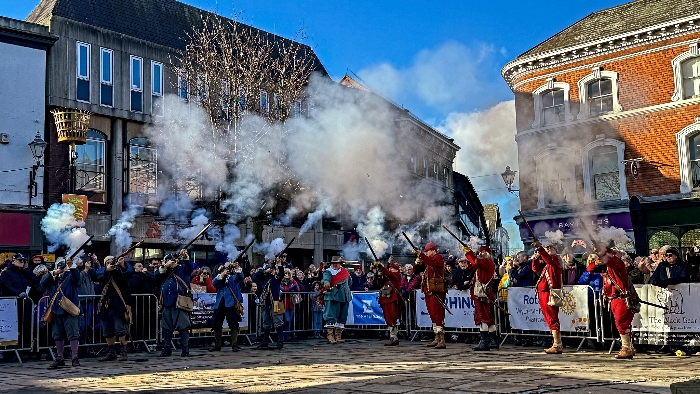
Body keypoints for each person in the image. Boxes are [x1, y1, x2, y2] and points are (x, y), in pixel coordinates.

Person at [590, 244, 638, 360]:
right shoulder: (610, 266)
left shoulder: (618, 264)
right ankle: (629, 347)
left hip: (621, 298)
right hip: (614, 299)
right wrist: (599, 253)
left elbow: (611, 260)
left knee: (622, 324)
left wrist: (602, 251)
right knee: (622, 324)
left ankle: (626, 347)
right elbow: (590, 268)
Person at [41, 257, 82, 368]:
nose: (61, 268)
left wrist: (72, 266)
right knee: (57, 335)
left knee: (73, 334)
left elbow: (77, 278)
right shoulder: (52, 278)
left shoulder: (70, 276)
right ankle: (60, 357)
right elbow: (42, 283)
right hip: (56, 310)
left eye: (62, 266)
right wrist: (54, 272)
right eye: (59, 265)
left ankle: (74, 357)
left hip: (69, 310)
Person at [155, 250, 196, 357]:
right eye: (168, 260)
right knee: (166, 327)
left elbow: (190, 268)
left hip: (180, 302)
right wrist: (165, 266)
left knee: (183, 326)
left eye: (172, 260)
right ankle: (167, 348)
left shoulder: (182, 268)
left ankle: (185, 349)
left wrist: (186, 257)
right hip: (166, 303)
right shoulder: (164, 271)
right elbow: (156, 276)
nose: (171, 262)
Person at [95, 255, 134, 362]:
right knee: (107, 330)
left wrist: (122, 264)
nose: (110, 263)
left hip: (119, 305)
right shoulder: (103, 272)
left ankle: (123, 351)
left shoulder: (121, 271)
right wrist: (107, 269)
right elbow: (96, 275)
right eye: (107, 262)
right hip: (106, 305)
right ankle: (111, 352)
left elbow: (129, 272)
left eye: (111, 261)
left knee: (121, 329)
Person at [463, 245, 498, 351]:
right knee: (489, 319)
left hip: (482, 294)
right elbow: (472, 265)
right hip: (484, 294)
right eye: (479, 252)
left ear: (488, 253)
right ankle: (493, 341)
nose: (480, 253)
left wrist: (469, 252)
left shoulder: (487, 262)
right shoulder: (484, 263)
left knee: (483, 318)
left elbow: (476, 262)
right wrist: (470, 254)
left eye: (483, 252)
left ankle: (484, 342)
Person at [532, 242, 564, 354]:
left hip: (549, 292)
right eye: (547, 248)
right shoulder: (548, 262)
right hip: (544, 292)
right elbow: (535, 269)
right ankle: (557, 343)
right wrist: (536, 258)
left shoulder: (556, 259)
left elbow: (548, 259)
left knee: (552, 318)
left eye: (550, 248)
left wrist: (540, 249)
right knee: (549, 318)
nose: (548, 249)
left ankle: (557, 344)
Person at [414, 242, 447, 349]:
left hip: (436, 290)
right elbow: (415, 270)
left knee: (437, 314)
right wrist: (418, 260)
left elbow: (431, 262)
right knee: (433, 314)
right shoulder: (429, 261)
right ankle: (436, 337)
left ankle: (441, 339)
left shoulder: (438, 258)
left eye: (427, 251)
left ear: (433, 250)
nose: (426, 253)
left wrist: (421, 255)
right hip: (429, 290)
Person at [210, 261, 244, 352]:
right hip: (220, 303)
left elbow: (240, 277)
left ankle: (234, 344)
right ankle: (218, 344)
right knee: (217, 324)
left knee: (233, 324)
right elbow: (214, 283)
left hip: (231, 303)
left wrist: (237, 268)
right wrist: (222, 274)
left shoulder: (233, 278)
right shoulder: (219, 278)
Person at [252, 260, 286, 349]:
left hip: (275, 302)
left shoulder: (276, 278)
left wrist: (279, 264)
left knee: (278, 322)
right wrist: (265, 271)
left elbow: (281, 273)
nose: (271, 271)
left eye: (272, 270)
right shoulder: (263, 278)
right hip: (265, 303)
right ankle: (265, 341)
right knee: (266, 323)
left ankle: (280, 341)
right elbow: (254, 276)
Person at [322, 256, 352, 344]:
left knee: (342, 317)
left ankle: (338, 335)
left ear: (340, 264)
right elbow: (326, 280)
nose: (335, 265)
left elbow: (350, 282)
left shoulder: (345, 272)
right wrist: (326, 283)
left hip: (344, 296)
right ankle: (330, 336)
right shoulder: (328, 272)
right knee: (330, 316)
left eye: (337, 263)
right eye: (333, 263)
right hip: (332, 296)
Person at [374, 258, 403, 346]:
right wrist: (379, 275)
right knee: (388, 317)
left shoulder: (396, 275)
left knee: (392, 316)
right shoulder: (387, 277)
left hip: (392, 299)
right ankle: (392, 337)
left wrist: (381, 267)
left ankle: (394, 337)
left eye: (392, 268)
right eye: (389, 268)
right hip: (385, 298)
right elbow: (379, 284)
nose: (390, 269)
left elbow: (389, 273)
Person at [281, 268, 300, 341]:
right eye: (285, 273)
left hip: (291, 303)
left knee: (290, 319)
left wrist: (292, 287)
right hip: (284, 303)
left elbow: (298, 289)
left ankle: (288, 334)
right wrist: (291, 288)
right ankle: (285, 335)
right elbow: (284, 289)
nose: (287, 275)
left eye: (288, 273)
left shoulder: (293, 281)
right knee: (287, 320)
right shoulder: (281, 281)